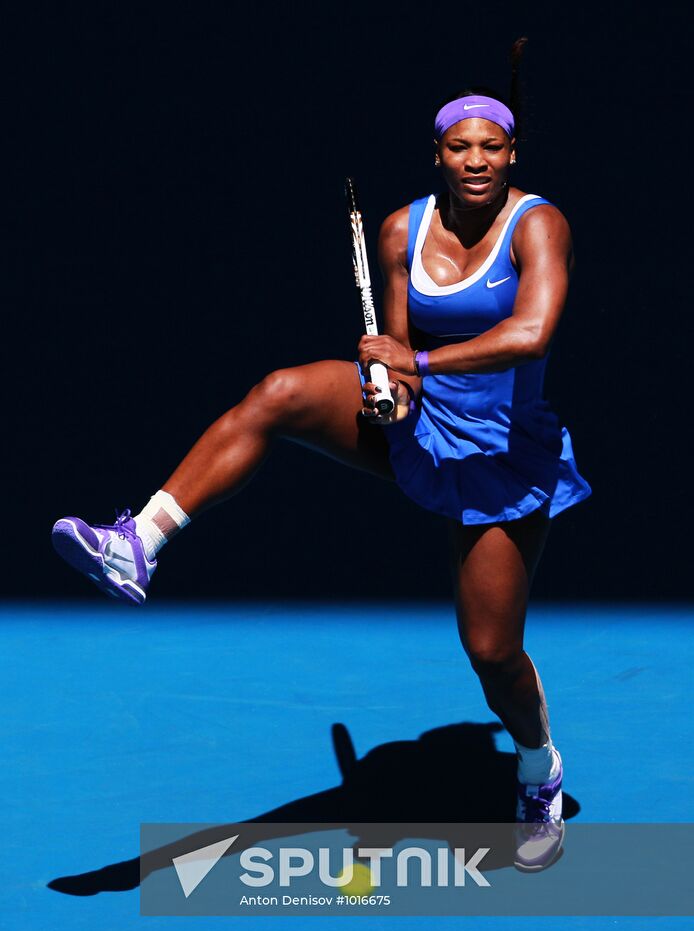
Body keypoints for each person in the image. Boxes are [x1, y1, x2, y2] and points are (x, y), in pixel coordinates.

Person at [52, 39, 590, 872]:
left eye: (491, 146)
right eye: (459, 146)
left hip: (503, 457)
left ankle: (536, 767)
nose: (475, 160)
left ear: (511, 153)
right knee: (279, 394)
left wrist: (418, 366)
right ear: (437, 153)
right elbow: (397, 352)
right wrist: (390, 389)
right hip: (420, 427)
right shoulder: (400, 230)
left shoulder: (538, 223)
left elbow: (533, 333)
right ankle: (140, 541)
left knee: (491, 653)